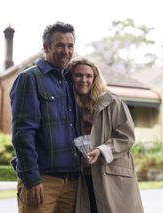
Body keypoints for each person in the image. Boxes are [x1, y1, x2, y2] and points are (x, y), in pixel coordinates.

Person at [10, 21, 80, 213]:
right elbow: (22, 134)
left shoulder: (70, 81)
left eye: (70, 46)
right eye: (60, 45)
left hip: (73, 181)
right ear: (46, 47)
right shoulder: (29, 79)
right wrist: (31, 179)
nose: (66, 51)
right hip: (42, 181)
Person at [69, 57, 144, 213]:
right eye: (78, 75)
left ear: (95, 79)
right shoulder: (70, 107)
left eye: (89, 76)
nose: (84, 80)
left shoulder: (112, 102)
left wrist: (101, 150)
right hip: (82, 177)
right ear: (71, 78)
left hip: (111, 176)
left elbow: (127, 137)